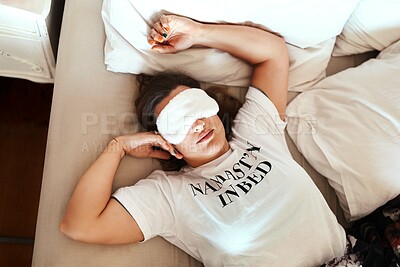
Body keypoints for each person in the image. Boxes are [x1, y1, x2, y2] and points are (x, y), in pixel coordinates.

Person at [60, 14, 347, 266]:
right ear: (166, 142)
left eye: (195, 107)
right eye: (179, 123)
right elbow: (80, 225)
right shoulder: (169, 196)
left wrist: (197, 33)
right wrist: (118, 147)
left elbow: (272, 53)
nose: (197, 124)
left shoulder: (255, 132)